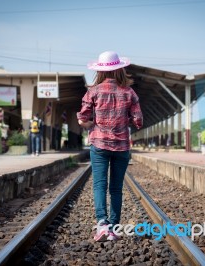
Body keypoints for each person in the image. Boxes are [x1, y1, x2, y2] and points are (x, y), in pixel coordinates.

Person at [77, 51, 143, 241]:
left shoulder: (94, 91)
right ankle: (114, 228)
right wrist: (127, 120)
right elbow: (138, 120)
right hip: (121, 146)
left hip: (98, 144)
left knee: (99, 185)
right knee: (116, 188)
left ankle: (102, 225)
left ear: (100, 70)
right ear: (120, 69)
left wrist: (88, 124)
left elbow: (83, 116)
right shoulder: (129, 92)